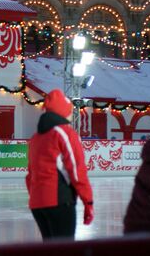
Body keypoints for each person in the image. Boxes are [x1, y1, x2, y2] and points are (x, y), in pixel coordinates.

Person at [26, 89, 94, 240]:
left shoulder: (36, 138)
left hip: (38, 204)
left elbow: (30, 175)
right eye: (69, 110)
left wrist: (38, 197)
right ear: (63, 111)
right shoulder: (65, 133)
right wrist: (88, 202)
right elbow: (77, 171)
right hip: (59, 201)